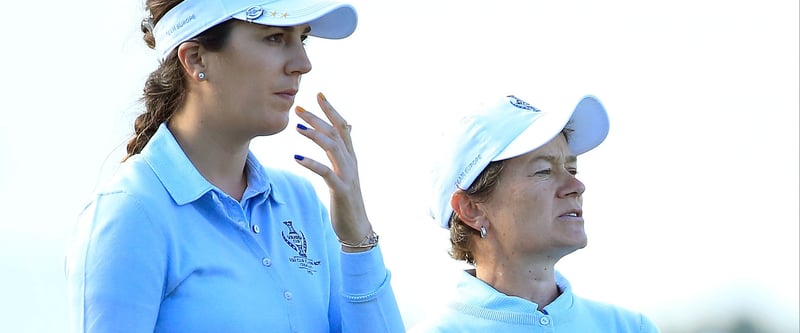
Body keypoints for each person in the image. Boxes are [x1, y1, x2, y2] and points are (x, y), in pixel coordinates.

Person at [64, 0, 404, 332]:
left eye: (301, 38)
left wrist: (358, 237)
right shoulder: (130, 212)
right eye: (274, 37)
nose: (303, 63)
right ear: (196, 58)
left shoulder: (300, 202)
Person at [412, 94, 661, 332]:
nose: (577, 187)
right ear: (472, 209)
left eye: (572, 170)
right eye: (544, 171)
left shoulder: (630, 328)